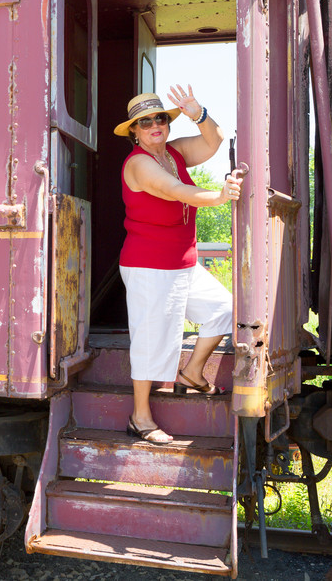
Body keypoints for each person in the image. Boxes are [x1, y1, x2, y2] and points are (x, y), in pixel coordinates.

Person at [115, 86, 243, 444]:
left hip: (182, 262)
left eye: (160, 118)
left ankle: (192, 373)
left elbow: (214, 141)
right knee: (150, 338)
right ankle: (140, 418)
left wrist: (198, 113)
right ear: (134, 131)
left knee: (223, 309)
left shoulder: (174, 152)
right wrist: (219, 196)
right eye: (145, 122)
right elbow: (175, 191)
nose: (155, 125)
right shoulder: (139, 164)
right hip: (149, 265)